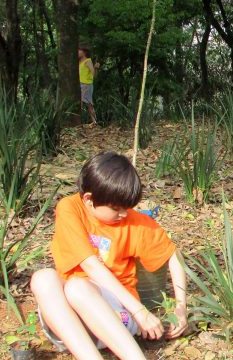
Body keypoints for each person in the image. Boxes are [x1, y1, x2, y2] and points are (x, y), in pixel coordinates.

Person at [30, 152, 188, 360]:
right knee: (43, 278)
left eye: (127, 208)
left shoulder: (134, 222)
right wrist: (141, 311)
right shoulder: (70, 208)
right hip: (69, 325)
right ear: (88, 199)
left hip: (117, 316)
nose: (123, 214)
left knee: (77, 287)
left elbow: (172, 256)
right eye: (116, 209)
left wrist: (181, 308)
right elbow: (90, 265)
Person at [79, 44, 98, 125]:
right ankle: (93, 121)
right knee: (82, 103)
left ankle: (94, 121)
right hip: (80, 84)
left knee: (88, 103)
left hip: (86, 84)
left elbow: (93, 74)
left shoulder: (88, 61)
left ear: (84, 52)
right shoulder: (80, 62)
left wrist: (96, 68)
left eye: (79, 50)